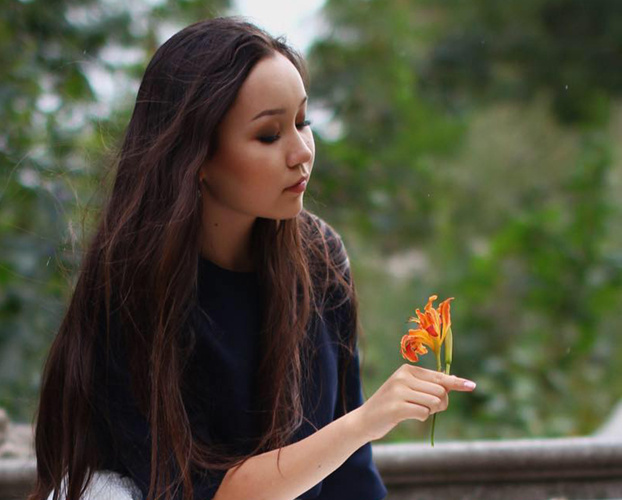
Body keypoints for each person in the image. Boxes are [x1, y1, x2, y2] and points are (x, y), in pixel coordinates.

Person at [28, 16, 476, 500]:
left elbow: (351, 478)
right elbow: (201, 493)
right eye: (268, 135)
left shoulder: (319, 260)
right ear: (197, 156)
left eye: (302, 122)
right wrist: (363, 423)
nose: (301, 153)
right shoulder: (131, 293)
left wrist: (357, 430)